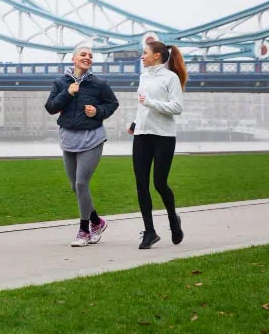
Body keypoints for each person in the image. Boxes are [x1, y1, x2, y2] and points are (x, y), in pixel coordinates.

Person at [45, 43, 120, 246]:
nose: (87, 58)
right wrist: (67, 93)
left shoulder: (99, 84)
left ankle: (83, 230)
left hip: (92, 138)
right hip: (68, 138)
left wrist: (97, 112)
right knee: (74, 187)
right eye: (83, 54)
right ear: (74, 58)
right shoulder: (60, 82)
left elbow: (112, 104)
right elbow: (51, 108)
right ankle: (97, 221)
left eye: (90, 55)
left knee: (81, 183)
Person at [128, 40, 188, 249]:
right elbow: (141, 104)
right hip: (142, 135)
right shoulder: (144, 76)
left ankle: (173, 220)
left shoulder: (171, 78)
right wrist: (136, 123)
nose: (142, 57)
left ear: (157, 56)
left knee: (159, 184)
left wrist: (150, 103)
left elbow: (177, 107)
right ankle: (150, 232)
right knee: (141, 184)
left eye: (145, 53)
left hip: (163, 136)